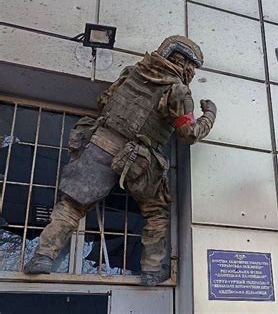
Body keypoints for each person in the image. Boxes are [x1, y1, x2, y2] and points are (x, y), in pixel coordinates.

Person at [23, 35, 217, 286]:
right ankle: (150, 271)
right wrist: (210, 115)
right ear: (186, 64)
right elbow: (188, 134)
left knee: (72, 205)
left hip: (100, 143)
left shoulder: (132, 72)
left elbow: (104, 101)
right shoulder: (178, 91)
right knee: (156, 213)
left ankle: (43, 256)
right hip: (140, 160)